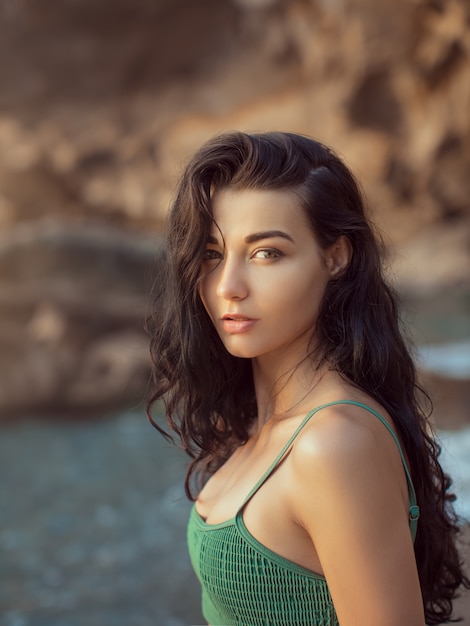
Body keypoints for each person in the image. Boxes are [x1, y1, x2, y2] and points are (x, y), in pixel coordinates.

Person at [146, 131, 469, 626]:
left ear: (335, 257)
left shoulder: (334, 443)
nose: (228, 287)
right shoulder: (262, 424)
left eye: (266, 253)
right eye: (213, 253)